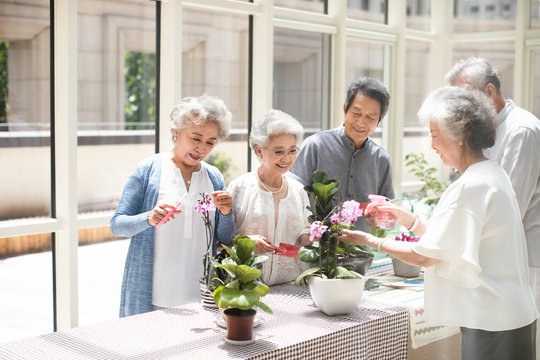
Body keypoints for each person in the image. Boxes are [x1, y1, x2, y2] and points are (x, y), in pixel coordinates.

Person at [340, 86, 538, 360]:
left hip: (493, 320)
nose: (432, 145)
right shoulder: (492, 174)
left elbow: (425, 257)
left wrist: (369, 240)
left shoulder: (471, 185)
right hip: (510, 314)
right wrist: (408, 220)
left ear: (458, 135)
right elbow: (448, 241)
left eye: (434, 135)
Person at [445, 57, 540, 354]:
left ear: (488, 91)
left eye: (465, 96)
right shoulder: (481, 132)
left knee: (518, 347)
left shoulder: (521, 129)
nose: (460, 107)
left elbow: (511, 206)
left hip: (523, 259)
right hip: (495, 259)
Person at [110, 95, 235, 317]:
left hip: (202, 297)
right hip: (154, 297)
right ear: (176, 132)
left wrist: (226, 213)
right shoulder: (148, 170)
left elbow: (224, 238)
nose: (202, 148)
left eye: (210, 142)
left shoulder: (213, 176)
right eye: (195, 138)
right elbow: (117, 225)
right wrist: (149, 218)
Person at [289, 77, 394, 232]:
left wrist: (380, 217)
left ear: (380, 120)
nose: (361, 122)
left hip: (360, 252)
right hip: (319, 251)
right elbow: (292, 198)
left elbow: (388, 209)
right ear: (345, 109)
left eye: (370, 117)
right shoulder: (315, 146)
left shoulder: (381, 158)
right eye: (356, 113)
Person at [227, 109, 311, 285]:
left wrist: (312, 236)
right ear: (259, 150)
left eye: (292, 150)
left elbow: (305, 239)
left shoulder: (299, 190)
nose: (287, 158)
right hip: (247, 288)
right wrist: (246, 244)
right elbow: (220, 243)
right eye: (279, 151)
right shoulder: (239, 188)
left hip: (292, 288)